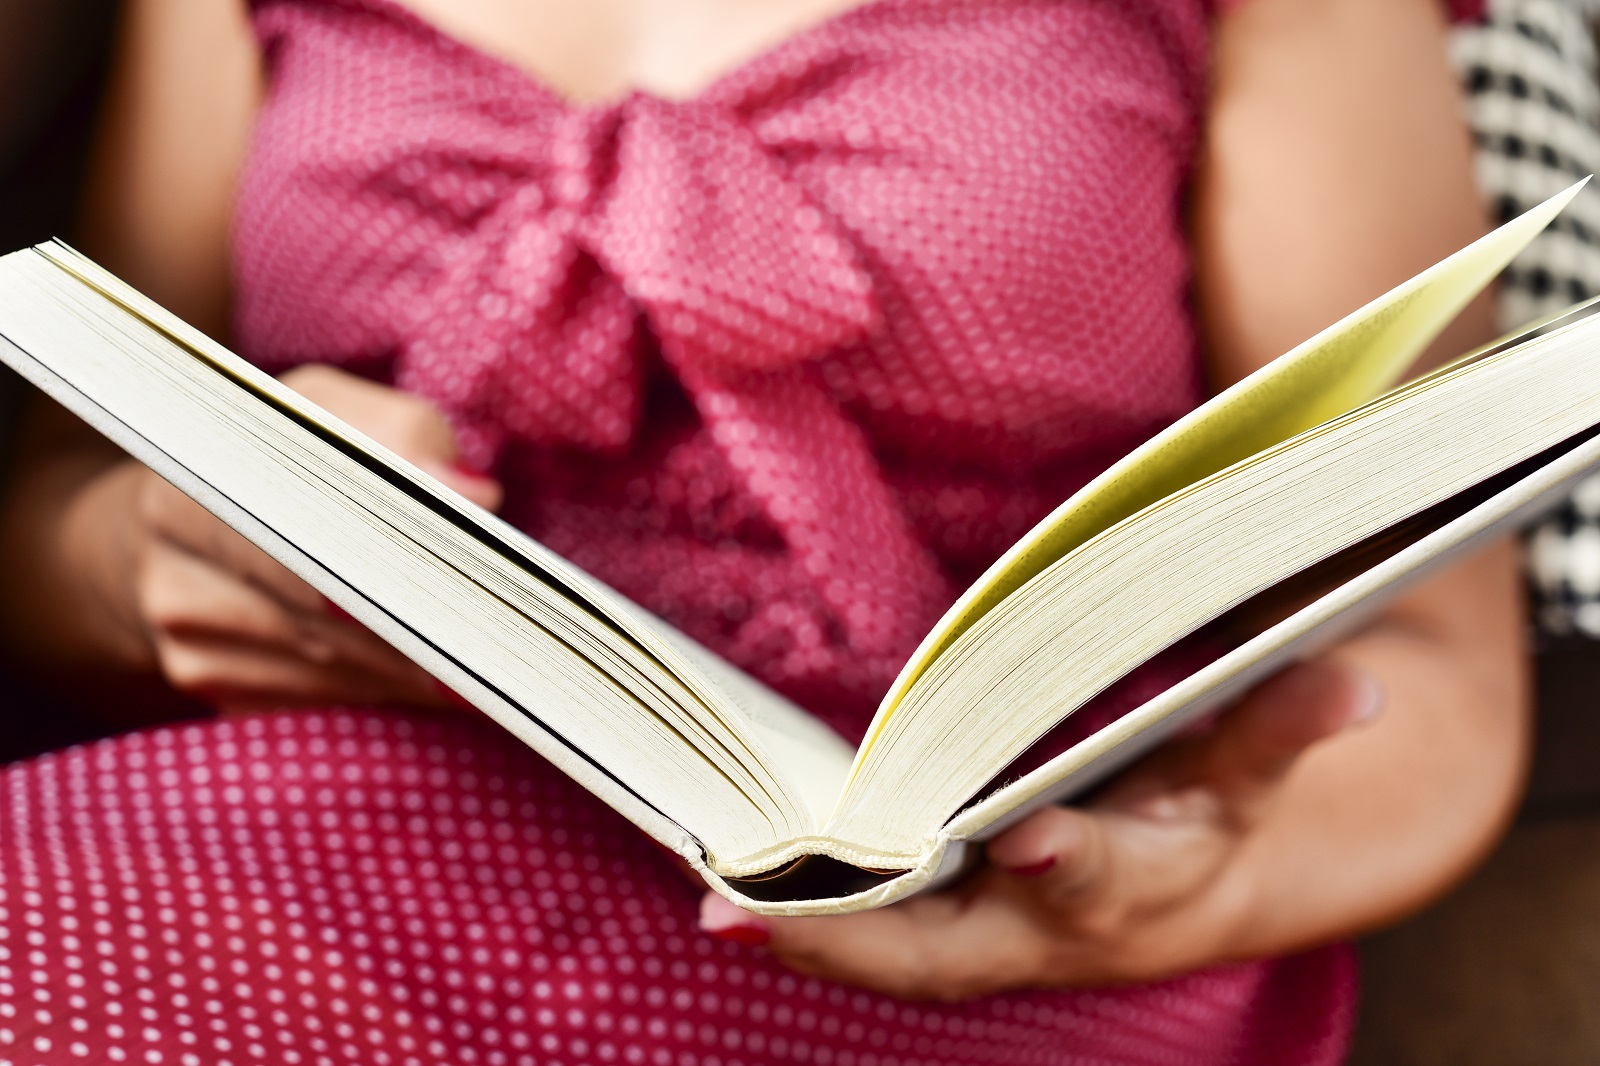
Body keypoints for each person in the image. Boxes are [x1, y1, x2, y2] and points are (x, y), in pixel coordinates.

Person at [0, 0, 1525, 1061]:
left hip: (989, 909)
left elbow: (1438, 661)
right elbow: (58, 504)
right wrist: (145, 559)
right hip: (316, 830)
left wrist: (1199, 876)